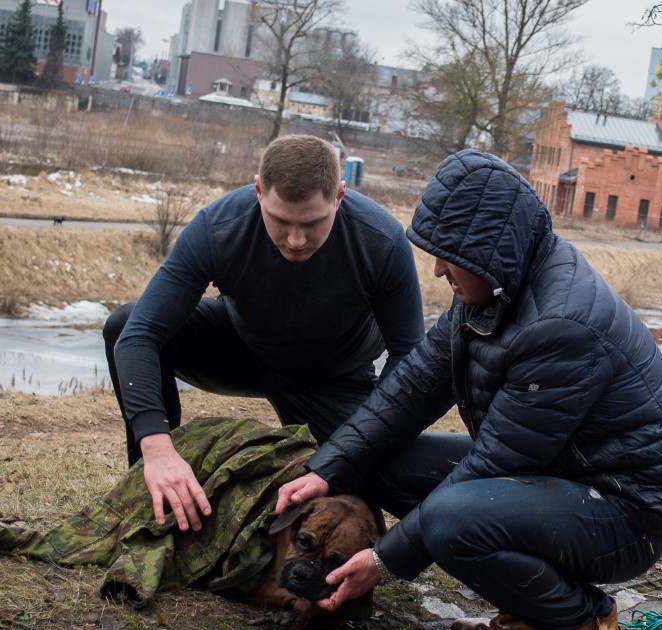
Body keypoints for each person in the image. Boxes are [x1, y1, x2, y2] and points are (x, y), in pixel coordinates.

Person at [275, 149, 662, 630]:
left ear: (488, 250)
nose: (439, 270)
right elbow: (410, 389)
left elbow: (494, 465)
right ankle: (532, 609)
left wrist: (384, 559)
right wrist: (328, 466)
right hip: (558, 477)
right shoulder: (493, 288)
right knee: (386, 465)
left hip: (624, 511)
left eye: (449, 257)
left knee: (452, 519)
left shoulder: (560, 325)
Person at [104, 134, 424, 533]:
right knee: (122, 324)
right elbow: (139, 335)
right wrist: (156, 446)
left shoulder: (381, 239)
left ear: (339, 195)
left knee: (382, 477)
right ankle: (155, 487)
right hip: (244, 350)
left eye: (311, 223)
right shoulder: (219, 226)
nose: (295, 240)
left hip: (333, 379)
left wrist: (361, 438)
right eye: (280, 220)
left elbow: (409, 354)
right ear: (258, 191)